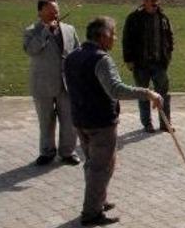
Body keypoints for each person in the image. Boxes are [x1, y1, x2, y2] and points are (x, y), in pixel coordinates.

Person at [64, 16, 164, 226]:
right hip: (100, 122)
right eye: (113, 34)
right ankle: (91, 213)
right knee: (101, 167)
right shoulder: (101, 59)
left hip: (80, 119)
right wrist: (148, 93)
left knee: (93, 164)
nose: (115, 39)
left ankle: (98, 199)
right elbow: (116, 90)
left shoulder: (72, 56)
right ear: (103, 36)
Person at [23, 0, 82, 166]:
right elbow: (31, 50)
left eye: (56, 11)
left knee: (69, 121)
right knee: (46, 121)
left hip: (67, 84)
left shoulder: (69, 29)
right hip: (43, 85)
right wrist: (45, 32)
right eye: (50, 11)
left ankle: (68, 152)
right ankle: (47, 152)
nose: (55, 14)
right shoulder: (31, 31)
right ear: (40, 12)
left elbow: (77, 52)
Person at [122, 0, 174, 133]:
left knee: (163, 94)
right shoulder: (134, 18)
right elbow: (126, 40)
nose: (155, 4)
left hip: (159, 63)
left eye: (157, 0)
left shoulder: (163, 17)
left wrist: (168, 55)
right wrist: (128, 59)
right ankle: (147, 124)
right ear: (144, 1)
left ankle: (165, 123)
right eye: (152, 1)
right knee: (143, 94)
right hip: (140, 64)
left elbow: (169, 37)